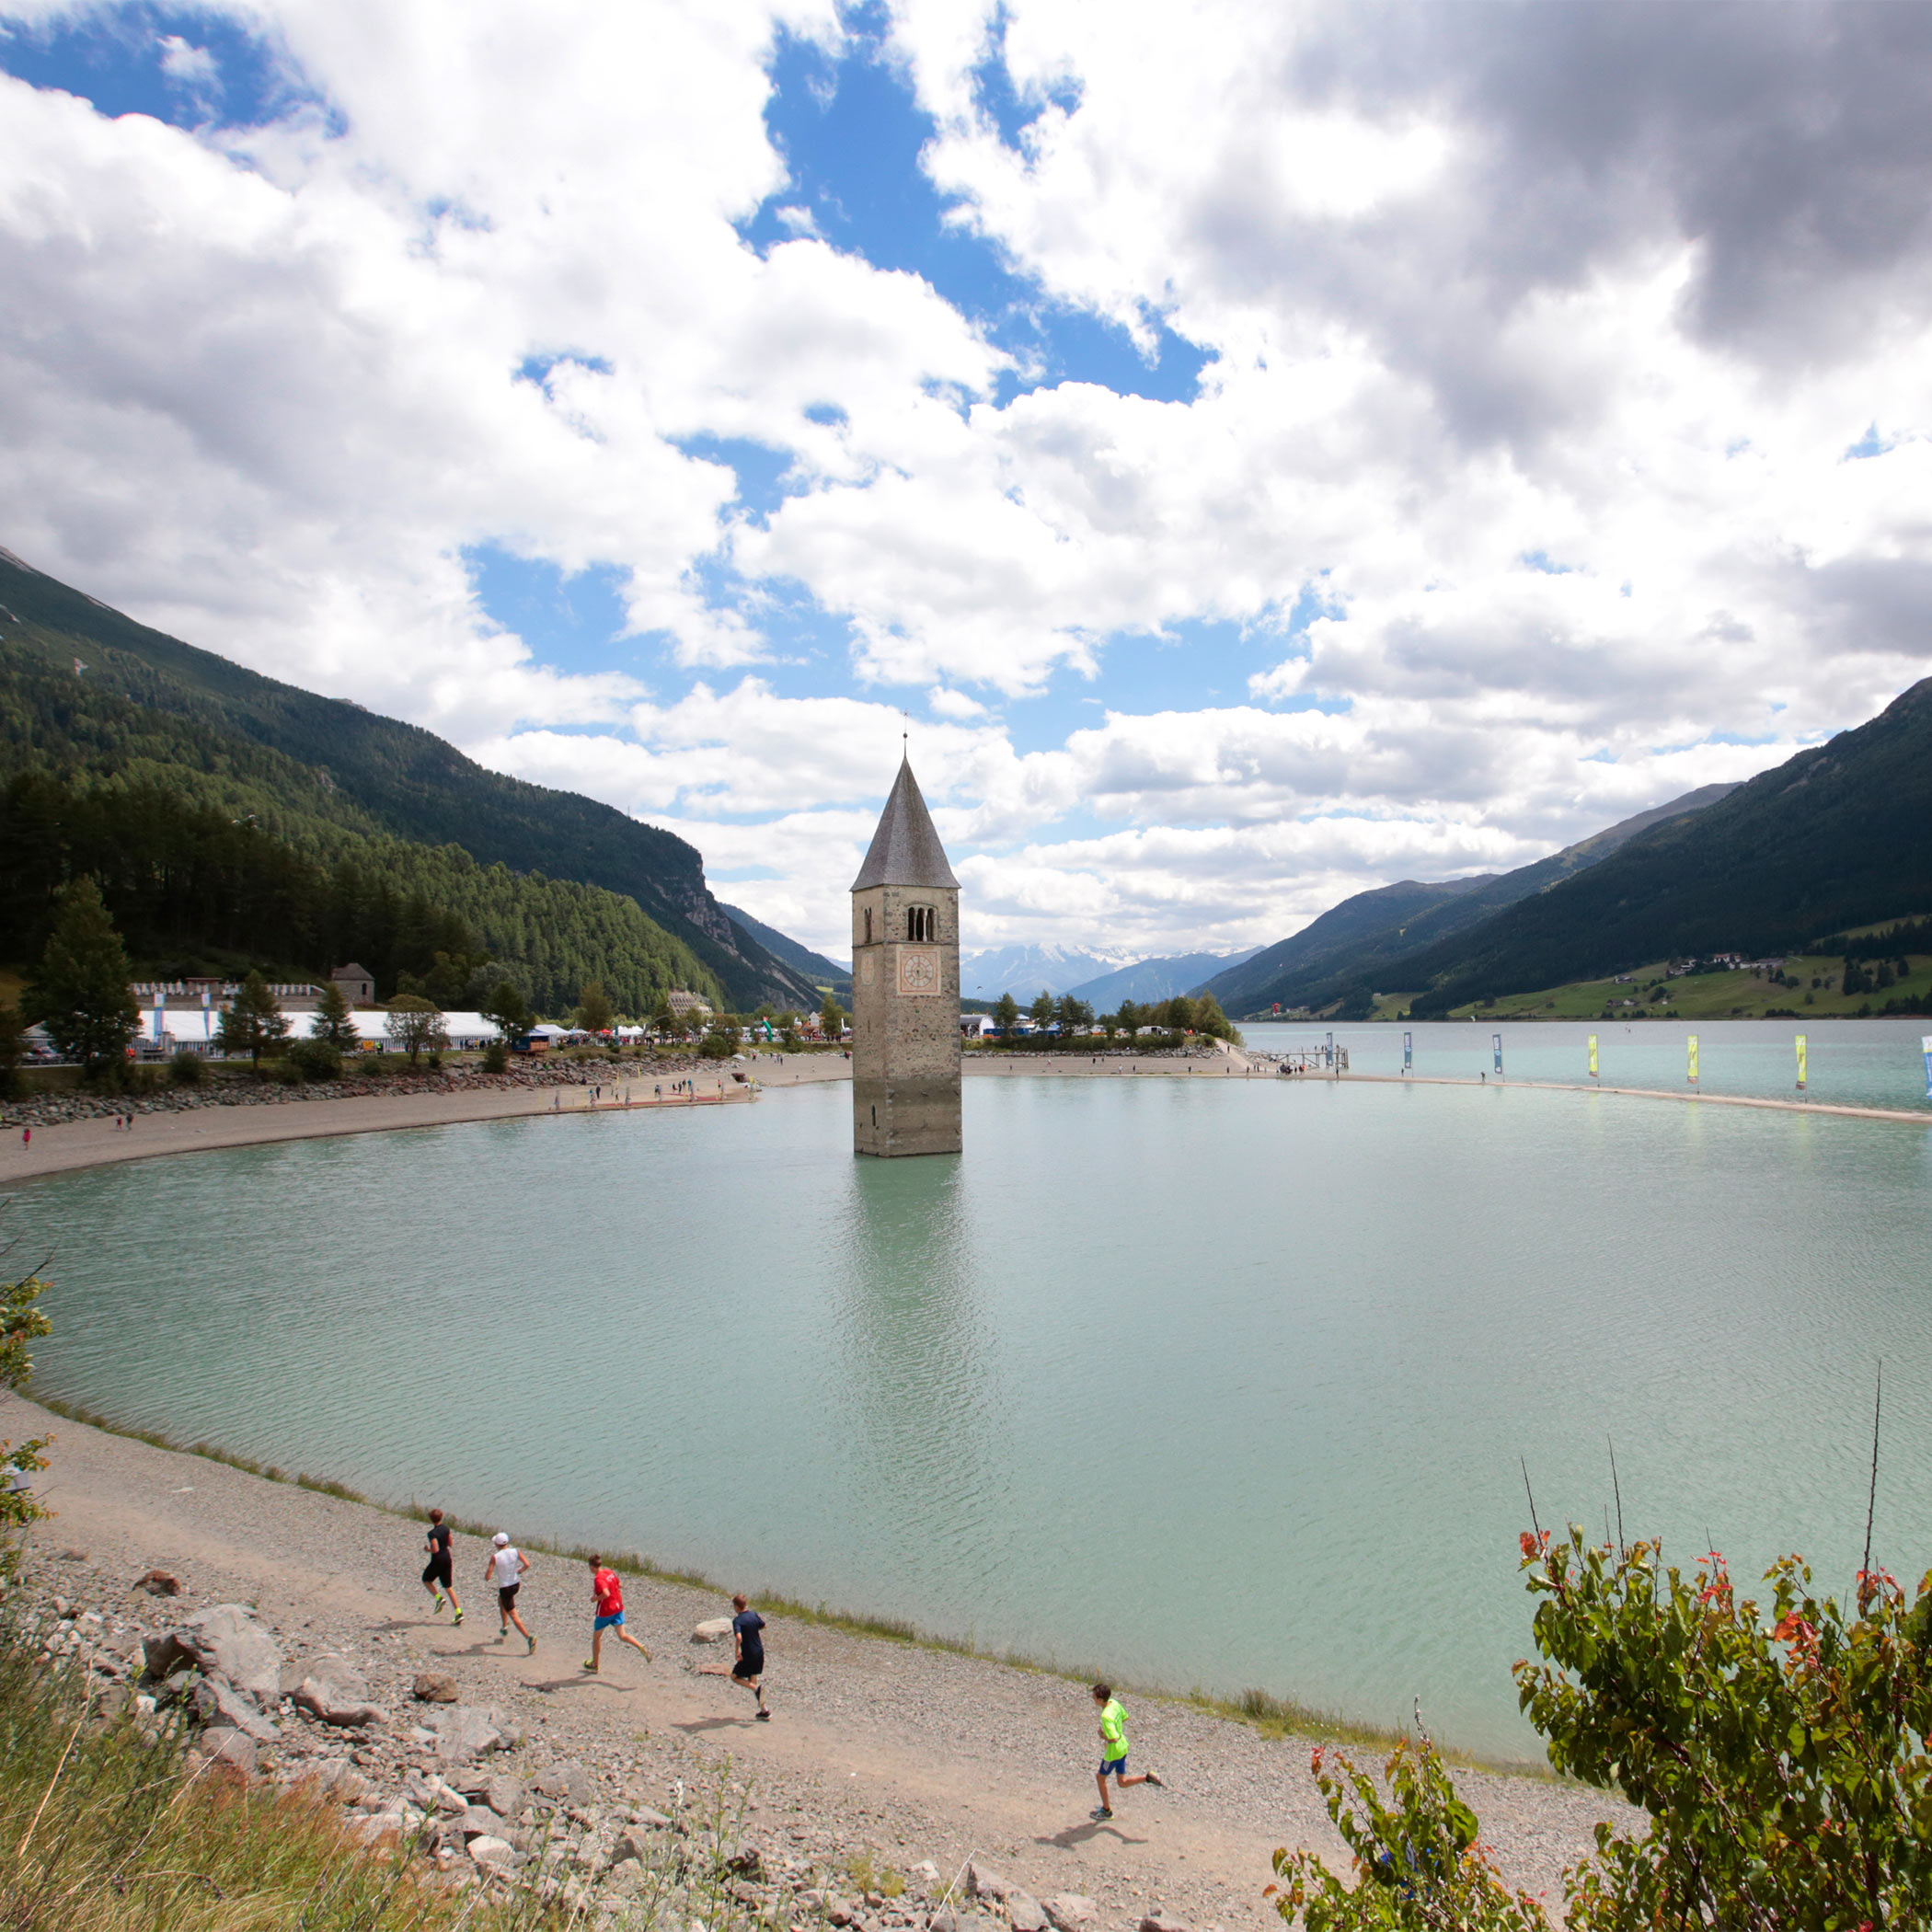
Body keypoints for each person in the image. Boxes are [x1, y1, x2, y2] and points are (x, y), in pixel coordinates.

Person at [1090, 1682, 1163, 1819]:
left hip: (1113, 1753)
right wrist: (1114, 1728)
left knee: (1100, 1778)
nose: (1092, 1699)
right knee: (1121, 1782)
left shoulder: (1105, 1716)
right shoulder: (1114, 1703)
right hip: (1124, 1747)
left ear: (1100, 1700)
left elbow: (1114, 1738)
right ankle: (1147, 1778)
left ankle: (1106, 1811)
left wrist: (1103, 1735)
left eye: (1094, 1697)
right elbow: (1125, 1717)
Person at [699, 1593, 769, 1718]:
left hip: (748, 1654)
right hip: (759, 1652)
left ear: (737, 1607)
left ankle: (757, 1689)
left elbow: (738, 1637)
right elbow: (764, 1626)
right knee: (752, 1679)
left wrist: (737, 1651)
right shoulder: (753, 1615)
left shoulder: (737, 1620)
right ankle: (764, 1711)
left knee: (734, 1677)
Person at [582, 1555, 651, 1673]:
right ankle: (640, 1647)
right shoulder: (609, 1572)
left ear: (592, 1567)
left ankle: (595, 1664)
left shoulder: (598, 1579)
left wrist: (595, 1599)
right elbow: (619, 1585)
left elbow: (606, 1593)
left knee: (596, 1638)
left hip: (605, 1612)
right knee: (622, 1635)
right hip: (618, 1608)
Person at [483, 1532, 535, 1651]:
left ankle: (529, 1638)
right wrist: (520, 1571)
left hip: (505, 1587)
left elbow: (488, 1576)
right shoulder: (515, 1551)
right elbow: (527, 1564)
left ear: (497, 1544)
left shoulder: (496, 1557)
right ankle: (504, 1626)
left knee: (513, 1614)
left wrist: (488, 1573)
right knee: (501, 1601)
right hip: (515, 1584)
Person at [420, 1507, 463, 1624]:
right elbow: (450, 1543)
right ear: (441, 1517)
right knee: (449, 1587)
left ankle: (439, 1599)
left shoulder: (432, 1533)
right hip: (447, 1558)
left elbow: (435, 1549)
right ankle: (458, 1612)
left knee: (426, 1580)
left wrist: (427, 1550)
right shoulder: (446, 1528)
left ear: (431, 1519)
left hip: (438, 1560)